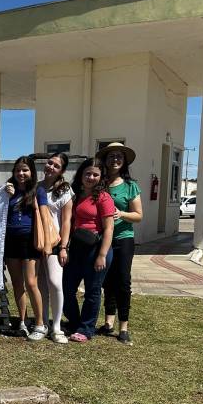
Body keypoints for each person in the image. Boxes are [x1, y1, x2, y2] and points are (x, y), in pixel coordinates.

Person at [62, 157, 115, 342]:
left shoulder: (103, 197)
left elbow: (109, 228)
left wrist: (102, 255)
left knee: (92, 291)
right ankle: (75, 321)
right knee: (67, 288)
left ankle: (86, 328)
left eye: (95, 174)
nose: (91, 177)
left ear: (101, 177)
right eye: (88, 173)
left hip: (97, 248)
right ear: (81, 174)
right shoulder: (75, 194)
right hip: (77, 247)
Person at [98, 142, 143, 344]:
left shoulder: (130, 186)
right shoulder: (100, 183)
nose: (115, 159)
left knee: (123, 281)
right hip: (103, 239)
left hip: (123, 238)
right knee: (107, 281)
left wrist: (121, 213)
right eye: (111, 156)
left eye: (119, 156)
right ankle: (108, 322)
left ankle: (123, 326)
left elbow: (138, 215)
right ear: (105, 160)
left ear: (124, 161)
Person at [4, 156, 50, 342]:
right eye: (18, 170)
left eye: (25, 170)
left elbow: (45, 218)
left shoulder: (38, 191)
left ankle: (40, 324)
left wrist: (47, 244)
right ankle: (22, 322)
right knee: (17, 284)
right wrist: (5, 195)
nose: (21, 173)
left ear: (32, 172)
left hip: (30, 241)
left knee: (31, 283)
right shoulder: (8, 190)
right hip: (10, 241)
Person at [37, 153, 74, 344]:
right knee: (41, 285)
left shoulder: (64, 190)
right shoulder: (37, 187)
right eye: (50, 163)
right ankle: (43, 323)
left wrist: (63, 247)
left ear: (62, 171)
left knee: (55, 283)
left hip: (54, 243)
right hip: (36, 242)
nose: (51, 167)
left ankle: (57, 326)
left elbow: (67, 221)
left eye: (56, 166)